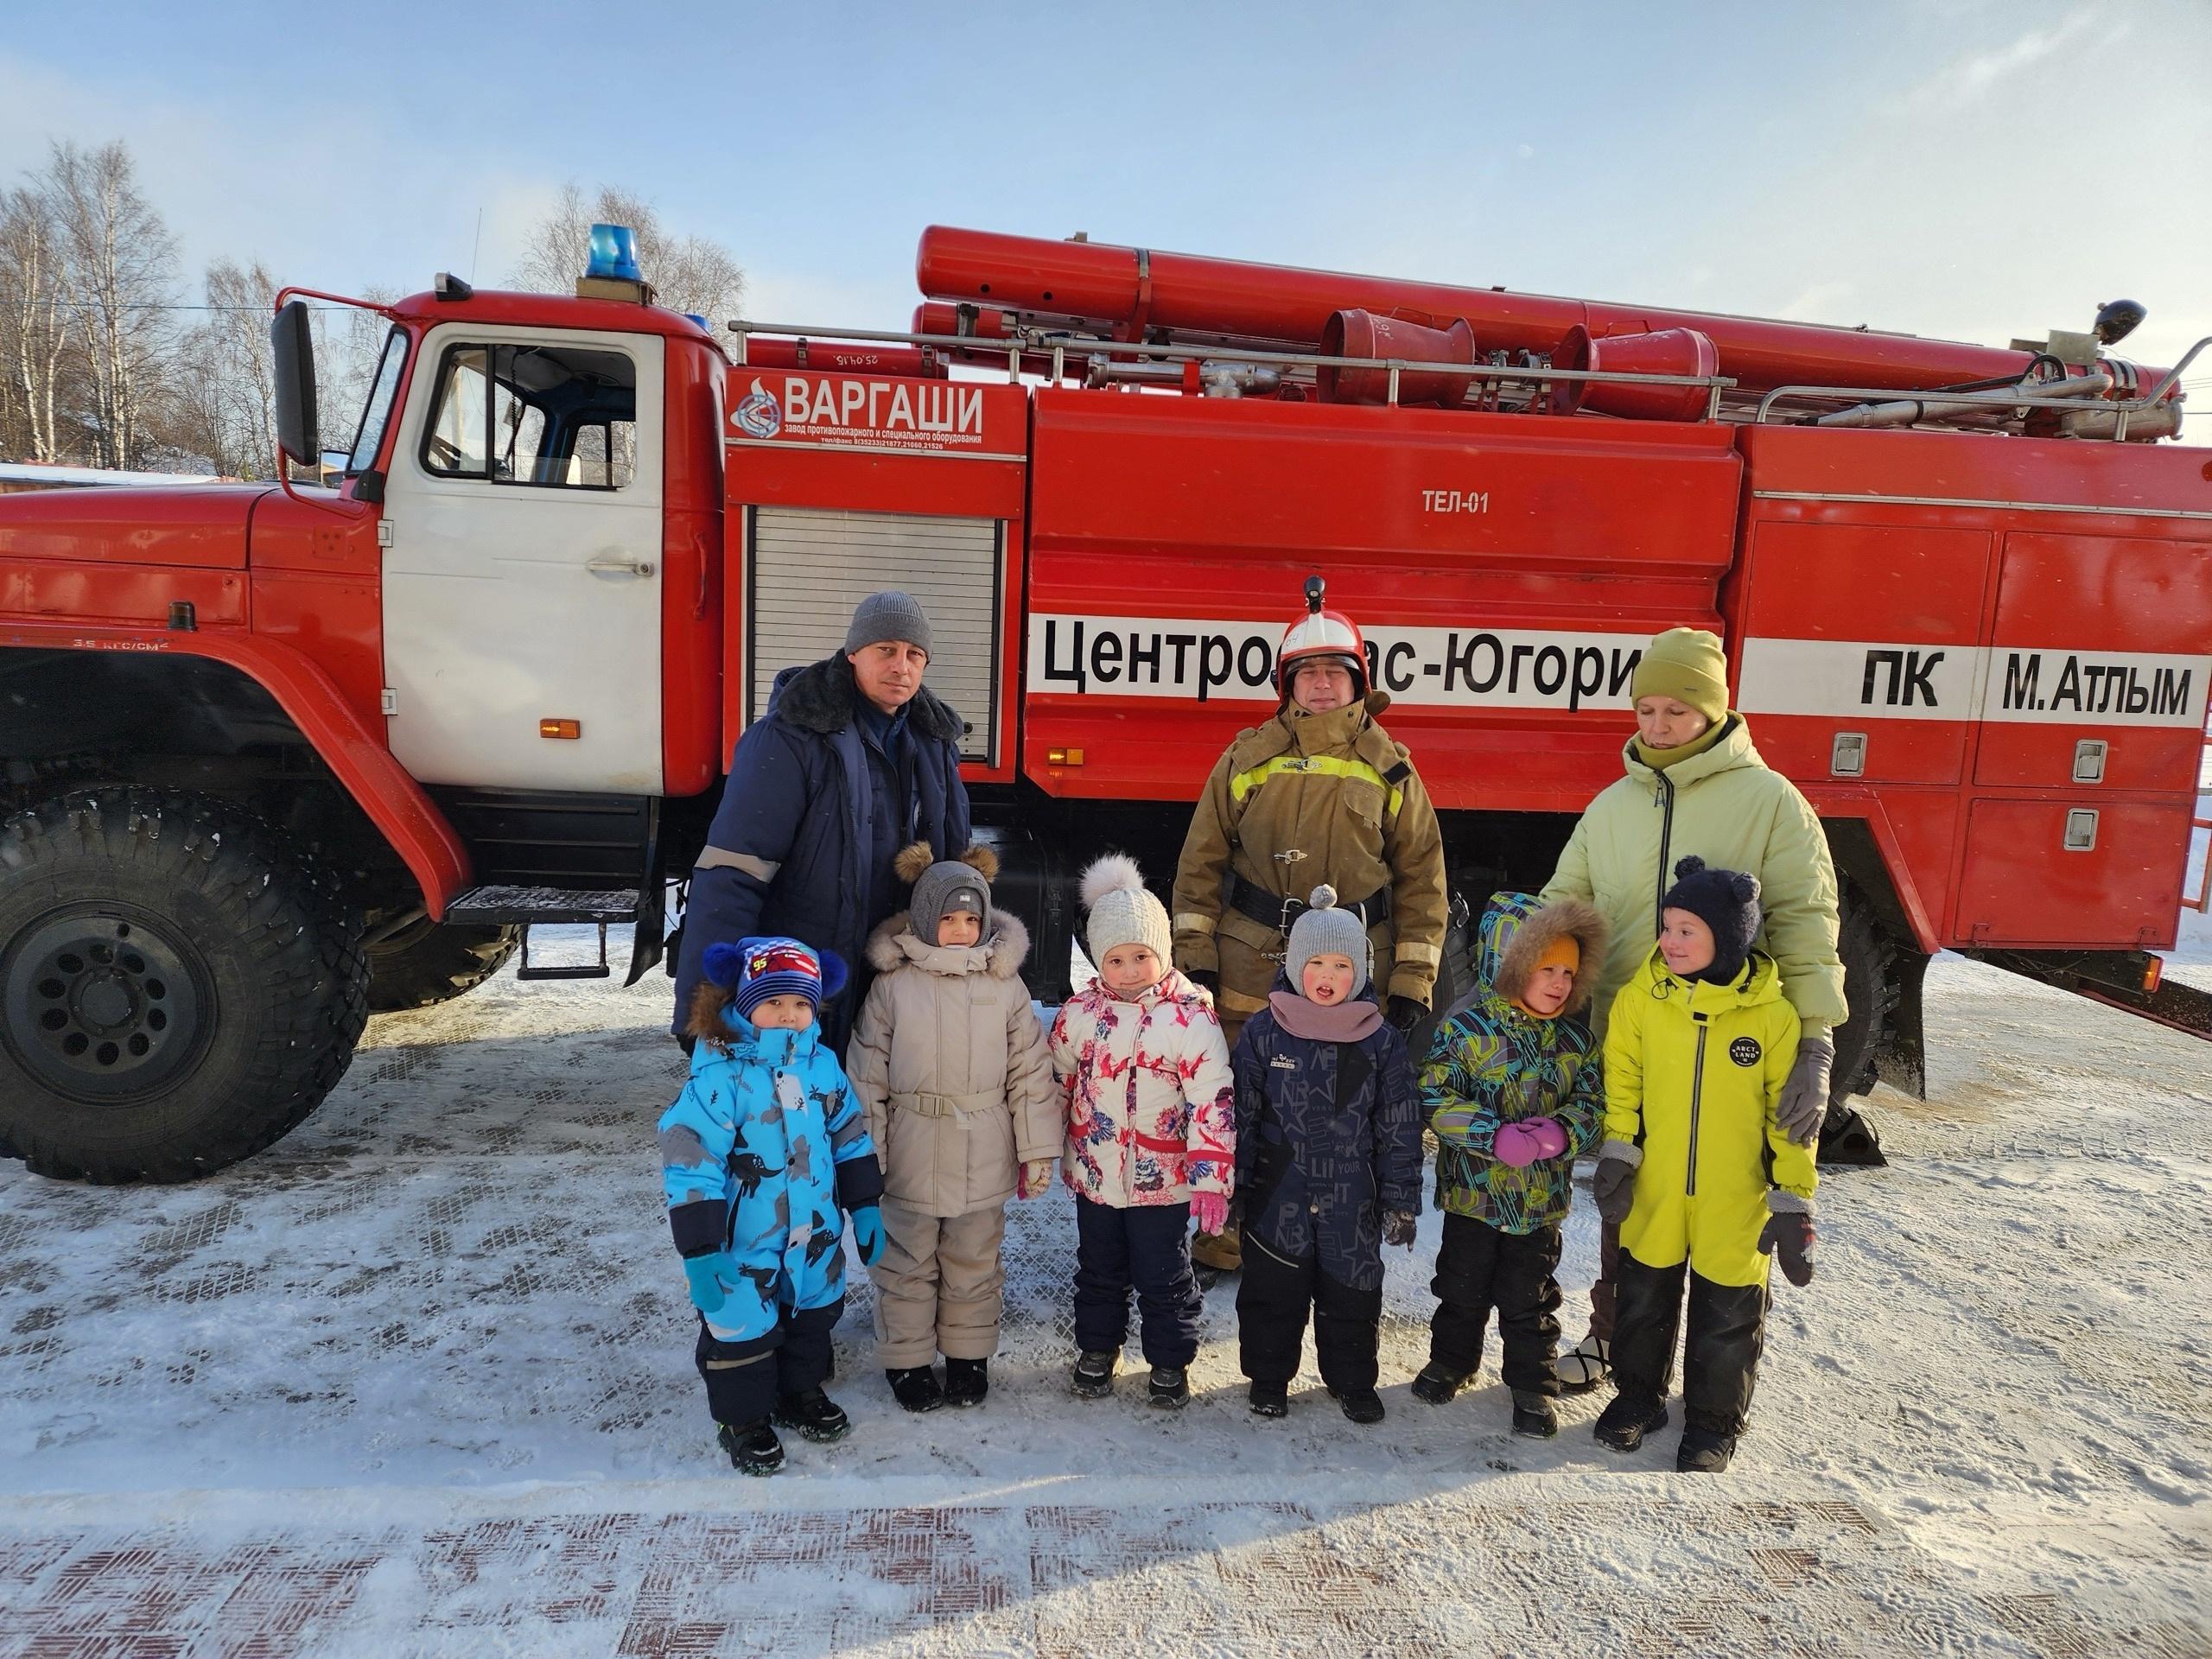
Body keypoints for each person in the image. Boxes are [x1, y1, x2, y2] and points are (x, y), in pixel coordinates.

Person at [1539, 626, 1844, 1392]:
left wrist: (1814, 1041)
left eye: (1678, 710)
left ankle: (1719, 1369)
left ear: (1715, 711)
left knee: (1730, 1206)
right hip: (1636, 1039)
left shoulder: (1773, 803)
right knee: (1627, 1192)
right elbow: (1562, 903)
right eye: (1646, 709)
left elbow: (1808, 921)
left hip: (1735, 1046)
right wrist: (1516, 978)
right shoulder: (1613, 805)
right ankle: (1616, 1339)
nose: (1659, 726)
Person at [1171, 578, 1447, 1276]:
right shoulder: (1244, 760)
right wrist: (1196, 954)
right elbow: (1199, 864)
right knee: (1243, 1100)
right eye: (1308, 674)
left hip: (1353, 967)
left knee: (1341, 1110)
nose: (1322, 687)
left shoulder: (1392, 770)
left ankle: (1328, 1239)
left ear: (1359, 682)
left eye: (1336, 673)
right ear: (1287, 684)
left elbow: (1422, 879)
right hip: (1251, 959)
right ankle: (1227, 1237)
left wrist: (1413, 979)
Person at [1588, 857, 1817, 1473]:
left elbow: (1789, 1120)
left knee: (1729, 1312)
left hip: (1733, 1195)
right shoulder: (1642, 1000)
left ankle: (1715, 1420)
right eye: (1666, 927)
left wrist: (1792, 1197)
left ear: (1730, 934)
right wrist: (1618, 1151)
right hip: (1657, 1186)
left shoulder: (1772, 1017)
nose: (1669, 941)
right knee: (1642, 1299)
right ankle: (1639, 1398)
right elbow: (1624, 1085)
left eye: (1687, 929)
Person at [672, 591, 971, 1056]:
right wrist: (707, 1001)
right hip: (801, 981)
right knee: (793, 1120)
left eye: (915, 654)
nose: (901, 666)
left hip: (893, 975)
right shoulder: (789, 738)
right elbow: (734, 869)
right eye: (886, 650)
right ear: (853, 653)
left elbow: (951, 865)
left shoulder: (934, 745)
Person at [658, 935, 887, 1477]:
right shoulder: (718, 1078)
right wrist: (700, 1249)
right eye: (774, 1001)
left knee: (812, 1317)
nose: (789, 1014)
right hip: (742, 1242)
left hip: (816, 1235)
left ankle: (798, 1391)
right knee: (741, 1330)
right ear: (743, 1000)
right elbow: (690, 1161)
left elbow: (849, 1134)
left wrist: (866, 1204)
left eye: (802, 1003)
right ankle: (743, 1419)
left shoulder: (823, 1067)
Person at [846, 842, 1058, 1413]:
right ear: (923, 920)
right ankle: (908, 1360)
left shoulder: (1004, 987)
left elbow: (1030, 1072)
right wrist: (868, 1161)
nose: (962, 930)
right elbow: (867, 1077)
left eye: (972, 919)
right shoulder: (892, 986)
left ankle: (968, 1354)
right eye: (948, 919)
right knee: (905, 1260)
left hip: (983, 1146)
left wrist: (1036, 1150)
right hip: (912, 1147)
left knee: (974, 1259)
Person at [1414, 892, 1608, 1438]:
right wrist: (1489, 1134)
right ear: (1510, 964)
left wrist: (1562, 1132)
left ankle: (1532, 1383)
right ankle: (1452, 1361)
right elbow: (1434, 1095)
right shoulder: (1466, 1031)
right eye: (1546, 968)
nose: (1560, 982)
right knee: (1460, 1288)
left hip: (1537, 1205)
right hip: (1472, 1197)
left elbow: (1595, 1104)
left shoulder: (1575, 1041)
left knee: (1531, 1299)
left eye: (1569, 971)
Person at [1050, 854, 1236, 1409]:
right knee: (1099, 1269)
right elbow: (1054, 1086)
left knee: (1164, 1272)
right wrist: (1038, 1152)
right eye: (1116, 959)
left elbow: (1213, 1101)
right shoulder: (1079, 1016)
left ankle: (1170, 1360)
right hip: (1097, 1174)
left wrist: (1211, 1177)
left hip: (1166, 1180)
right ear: (1098, 962)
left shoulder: (1191, 1019)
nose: (1130, 971)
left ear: (1165, 953)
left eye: (1142, 956)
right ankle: (1099, 1349)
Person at [1230, 887, 1422, 1424]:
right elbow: (1240, 1114)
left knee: (1352, 1295)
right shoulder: (1265, 1032)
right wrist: (1234, 1187)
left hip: (1351, 1203)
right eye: (1315, 961)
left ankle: (1353, 1381)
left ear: (1360, 971)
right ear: (1295, 965)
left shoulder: (1381, 1043)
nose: (1327, 975)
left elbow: (1399, 1127)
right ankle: (1269, 1379)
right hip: (1278, 1196)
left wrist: (1400, 1200)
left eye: (1342, 964)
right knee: (1273, 1293)